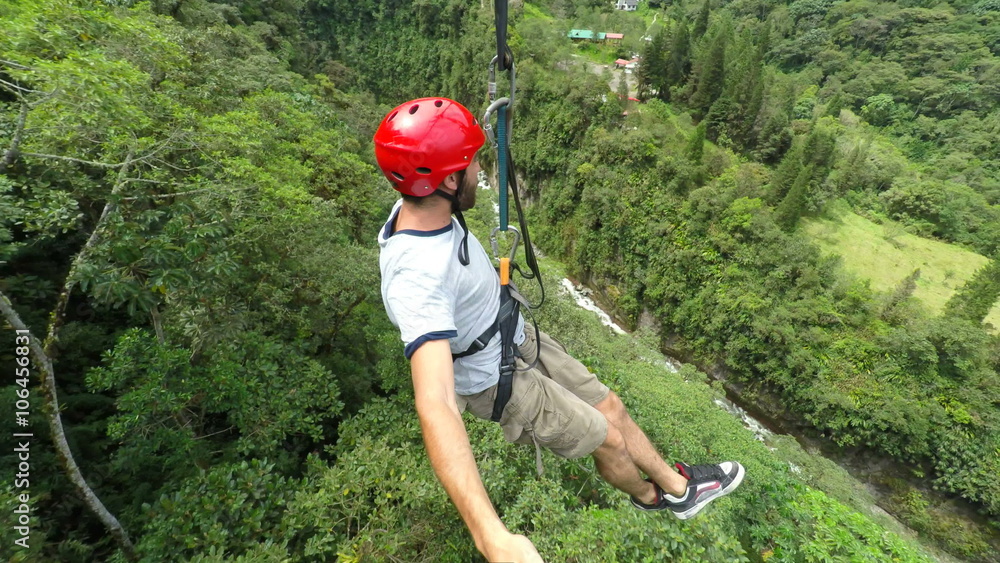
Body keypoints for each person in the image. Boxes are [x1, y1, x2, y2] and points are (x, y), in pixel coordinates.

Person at [374, 97, 745, 563]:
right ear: (448, 180)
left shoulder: (424, 204)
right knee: (605, 438)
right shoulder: (418, 278)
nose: (478, 170)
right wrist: (492, 536)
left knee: (612, 406)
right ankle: (650, 497)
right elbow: (437, 404)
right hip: (495, 380)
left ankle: (679, 488)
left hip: (513, 335)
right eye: (471, 163)